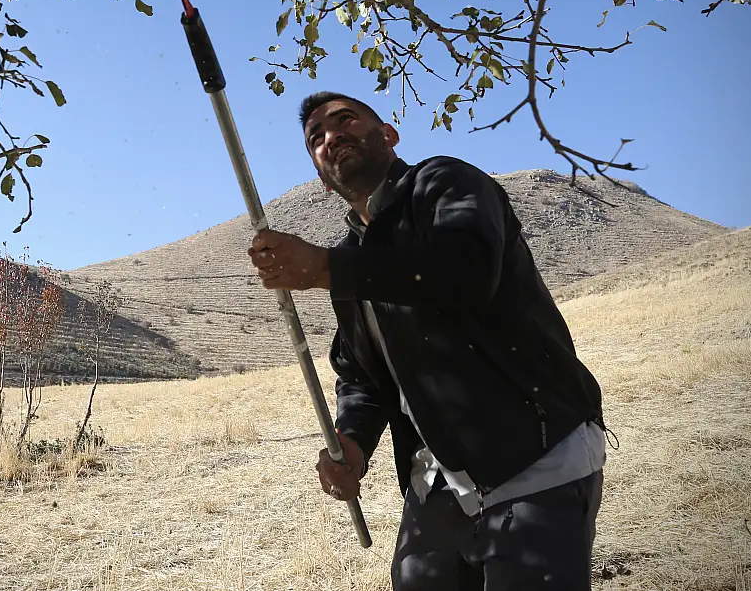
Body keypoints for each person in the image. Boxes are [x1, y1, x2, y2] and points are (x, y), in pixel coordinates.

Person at [247, 91, 607, 591]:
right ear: (323, 181)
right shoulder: (349, 265)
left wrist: (328, 269)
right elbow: (363, 377)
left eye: (345, 120)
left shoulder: (446, 183)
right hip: (437, 485)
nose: (331, 136)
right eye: (316, 137)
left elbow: (465, 271)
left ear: (388, 135)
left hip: (538, 460)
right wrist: (352, 438)